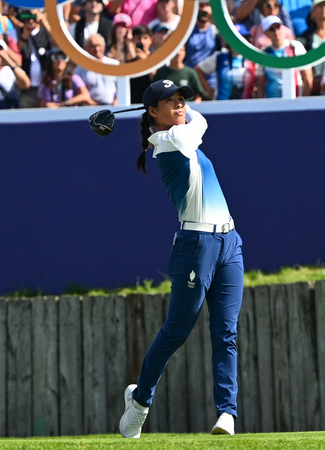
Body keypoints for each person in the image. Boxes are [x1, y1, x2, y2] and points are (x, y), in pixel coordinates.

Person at [119, 80, 243, 439]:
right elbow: (200, 124)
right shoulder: (168, 143)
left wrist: (173, 108)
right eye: (169, 102)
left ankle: (227, 414)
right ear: (152, 112)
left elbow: (195, 118)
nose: (179, 106)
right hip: (196, 244)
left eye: (180, 100)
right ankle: (140, 401)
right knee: (177, 330)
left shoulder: (180, 132)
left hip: (230, 241)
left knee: (226, 331)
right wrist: (180, 115)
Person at [16, 8, 53, 108]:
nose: (31, 20)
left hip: (45, 86)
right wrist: (24, 36)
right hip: (26, 89)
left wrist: (44, 22)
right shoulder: (18, 31)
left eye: (33, 16)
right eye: (27, 16)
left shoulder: (45, 32)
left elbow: (57, 44)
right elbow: (15, 53)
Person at [70, 34, 118, 106]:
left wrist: (116, 101)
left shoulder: (114, 65)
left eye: (99, 45)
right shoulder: (80, 69)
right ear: (86, 48)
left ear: (104, 46)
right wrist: (93, 104)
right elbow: (79, 91)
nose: (97, 49)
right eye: (93, 46)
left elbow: (121, 88)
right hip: (90, 109)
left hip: (112, 107)